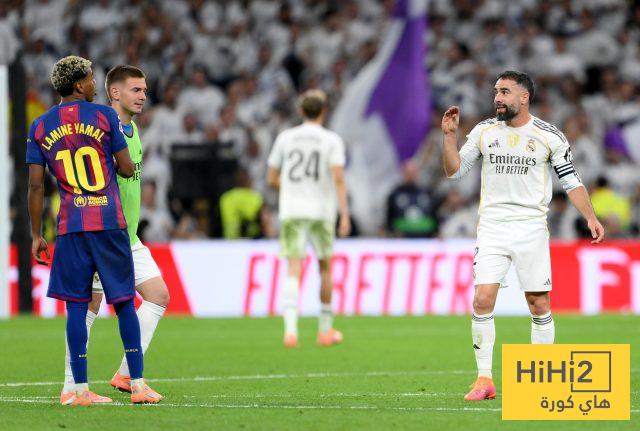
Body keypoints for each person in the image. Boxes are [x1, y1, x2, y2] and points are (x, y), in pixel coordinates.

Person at [440, 70, 604, 401]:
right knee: (482, 299)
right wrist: (449, 136)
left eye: (504, 92)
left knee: (538, 303)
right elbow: (454, 172)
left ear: (524, 97)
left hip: (531, 227)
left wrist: (590, 217)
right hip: (493, 227)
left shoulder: (549, 136)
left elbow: (571, 181)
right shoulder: (485, 131)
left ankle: (540, 380)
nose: (497, 98)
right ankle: (484, 379)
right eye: (496, 92)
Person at [27, 56, 160, 405]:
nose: (93, 84)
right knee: (124, 304)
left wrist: (36, 234)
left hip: (71, 225)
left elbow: (36, 186)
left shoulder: (39, 126)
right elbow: (127, 168)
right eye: (89, 79)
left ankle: (78, 391)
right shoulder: (103, 117)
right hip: (107, 222)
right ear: (78, 85)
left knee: (76, 306)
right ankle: (136, 385)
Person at [58, 65, 171, 401]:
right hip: (102, 233)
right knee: (88, 307)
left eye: (145, 90)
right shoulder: (99, 130)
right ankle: (71, 387)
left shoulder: (132, 129)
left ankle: (125, 374)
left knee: (158, 295)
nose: (143, 96)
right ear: (115, 92)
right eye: (136, 90)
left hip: (128, 237)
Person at [266, 89, 350, 348]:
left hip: (292, 211)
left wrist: (293, 189)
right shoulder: (331, 140)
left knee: (293, 268)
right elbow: (338, 178)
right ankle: (325, 331)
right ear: (324, 111)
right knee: (325, 268)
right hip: (321, 212)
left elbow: (271, 178)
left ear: (301, 110)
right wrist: (344, 215)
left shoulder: (285, 137)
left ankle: (290, 331)